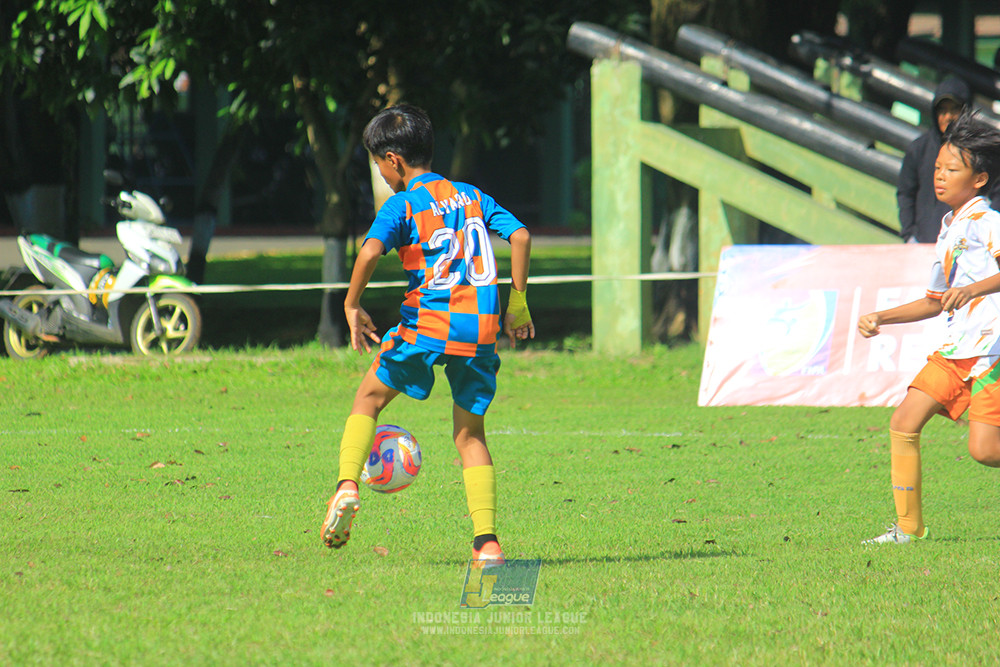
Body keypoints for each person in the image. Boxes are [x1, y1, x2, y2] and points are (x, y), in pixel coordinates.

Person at [321, 104, 534, 564]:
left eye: (378, 164)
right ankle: (487, 543)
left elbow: (370, 251)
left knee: (368, 400)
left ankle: (346, 486)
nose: (380, 173)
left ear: (393, 161)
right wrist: (517, 303)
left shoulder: (402, 204)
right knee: (470, 434)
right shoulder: (471, 195)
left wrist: (352, 303)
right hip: (479, 329)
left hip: (428, 323)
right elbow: (519, 236)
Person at [858, 110, 1000, 544]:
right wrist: (883, 317)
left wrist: (974, 289)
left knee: (985, 450)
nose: (939, 177)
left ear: (978, 179)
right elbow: (934, 301)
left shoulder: (987, 221)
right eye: (937, 168)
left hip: (992, 350)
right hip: (958, 349)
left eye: (951, 169)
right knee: (904, 420)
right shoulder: (949, 228)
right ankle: (907, 528)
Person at [896, 75, 971, 244]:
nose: (948, 117)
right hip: (923, 244)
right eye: (942, 110)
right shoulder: (919, 149)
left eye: (954, 110)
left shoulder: (979, 151)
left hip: (964, 247)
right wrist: (909, 235)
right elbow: (905, 193)